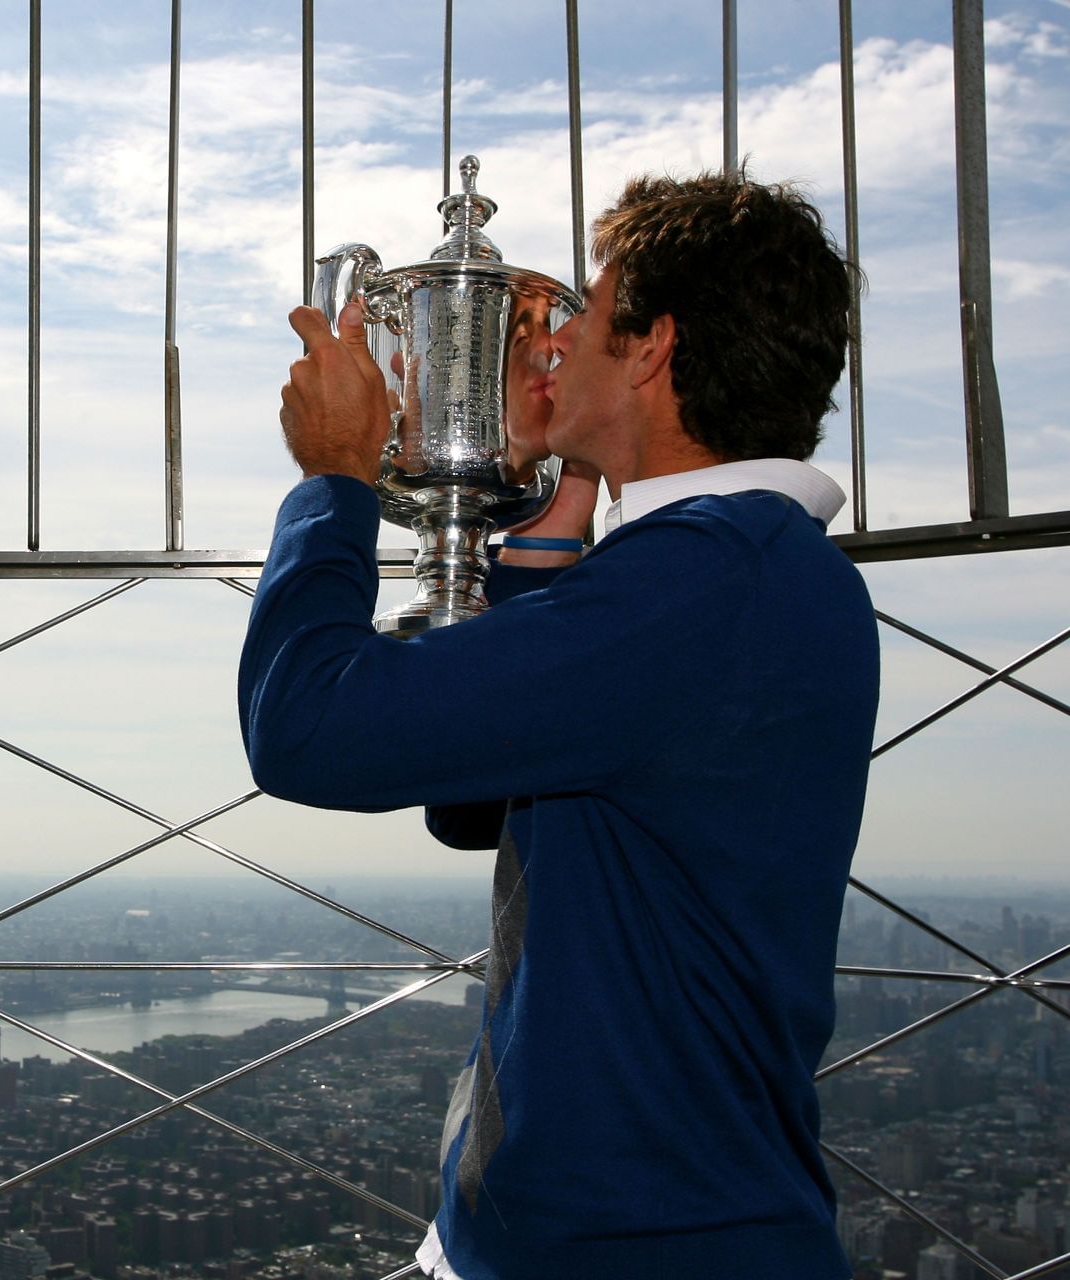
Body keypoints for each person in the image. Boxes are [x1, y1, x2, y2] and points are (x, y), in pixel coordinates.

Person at [238, 172, 878, 1280]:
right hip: (604, 1227)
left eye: (586, 310)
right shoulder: (742, 573)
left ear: (652, 347)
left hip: (637, 1244)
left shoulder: (703, 585)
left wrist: (334, 481)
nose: (553, 341)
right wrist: (553, 527)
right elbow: (476, 800)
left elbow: (307, 725)